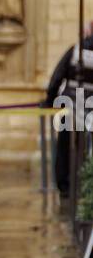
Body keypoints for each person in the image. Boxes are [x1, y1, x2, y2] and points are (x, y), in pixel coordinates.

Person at [43, 23, 93, 195]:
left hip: (70, 103)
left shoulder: (76, 50)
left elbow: (57, 76)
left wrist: (49, 100)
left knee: (65, 144)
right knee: (87, 144)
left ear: (88, 32)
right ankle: (85, 185)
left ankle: (64, 184)